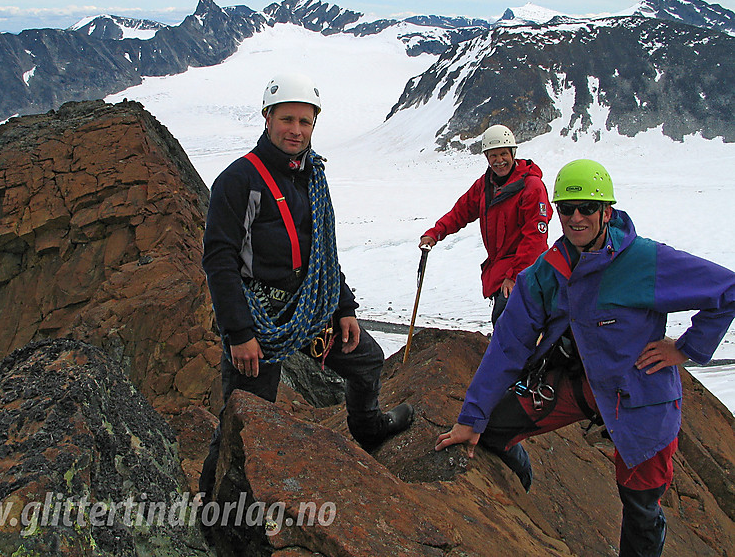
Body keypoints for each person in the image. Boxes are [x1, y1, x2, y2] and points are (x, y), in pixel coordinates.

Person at [434, 159, 735, 557]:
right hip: (578, 384)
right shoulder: (547, 271)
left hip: (637, 394)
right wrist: (471, 417)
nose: (576, 218)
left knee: (640, 504)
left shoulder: (644, 261)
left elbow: (727, 290)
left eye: (587, 208)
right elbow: (509, 343)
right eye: (566, 208)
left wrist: (684, 348)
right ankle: (523, 491)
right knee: (490, 431)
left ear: (606, 212)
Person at [200, 72, 414, 499]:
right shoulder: (240, 180)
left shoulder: (310, 175)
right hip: (259, 318)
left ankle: (368, 429)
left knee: (367, 360)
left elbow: (322, 251)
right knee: (245, 417)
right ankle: (212, 507)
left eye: (305, 121)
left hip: (309, 308)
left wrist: (344, 307)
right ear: (267, 118)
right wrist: (240, 334)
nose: (296, 130)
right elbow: (219, 260)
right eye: (287, 120)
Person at [420, 124, 552, 325]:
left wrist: (515, 276)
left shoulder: (531, 187)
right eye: (493, 156)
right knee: (506, 324)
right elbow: (460, 213)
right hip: (500, 271)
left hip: (528, 271)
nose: (499, 161)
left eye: (503, 154)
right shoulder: (485, 185)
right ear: (487, 158)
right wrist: (435, 233)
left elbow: (535, 238)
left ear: (512, 153)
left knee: (509, 322)